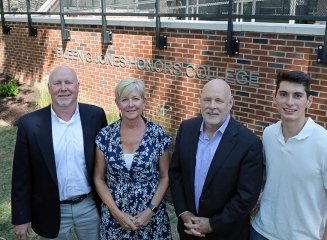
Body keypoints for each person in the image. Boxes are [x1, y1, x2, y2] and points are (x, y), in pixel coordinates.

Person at [251, 71, 327, 240]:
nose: (289, 102)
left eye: (297, 95)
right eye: (283, 94)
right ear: (274, 97)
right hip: (260, 231)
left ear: (309, 101)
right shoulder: (268, 134)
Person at [11, 65, 108, 240]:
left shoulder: (95, 116)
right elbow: (21, 176)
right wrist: (21, 218)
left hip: (90, 207)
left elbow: (107, 164)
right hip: (50, 209)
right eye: (57, 83)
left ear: (77, 86)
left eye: (68, 83)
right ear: (49, 88)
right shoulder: (30, 124)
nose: (63, 88)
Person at [169, 78, 264, 239]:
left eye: (218, 100)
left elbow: (246, 196)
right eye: (207, 99)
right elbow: (175, 173)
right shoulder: (187, 129)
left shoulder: (249, 143)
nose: (212, 106)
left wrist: (213, 224)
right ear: (200, 100)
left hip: (226, 233)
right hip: (188, 229)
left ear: (230, 103)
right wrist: (183, 212)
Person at [94, 78, 172, 239]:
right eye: (124, 99)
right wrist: (116, 213)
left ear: (144, 102)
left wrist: (150, 210)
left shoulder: (157, 135)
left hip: (151, 219)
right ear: (117, 103)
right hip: (115, 218)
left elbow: (165, 177)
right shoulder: (105, 136)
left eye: (135, 99)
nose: (130, 105)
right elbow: (99, 178)